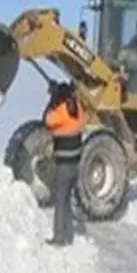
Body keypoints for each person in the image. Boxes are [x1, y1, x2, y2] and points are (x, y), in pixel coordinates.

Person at [44, 81, 85, 246]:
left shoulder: (60, 113)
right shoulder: (78, 111)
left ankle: (60, 237)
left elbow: (46, 120)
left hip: (63, 166)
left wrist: (52, 100)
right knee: (67, 199)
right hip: (75, 165)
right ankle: (68, 235)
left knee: (60, 201)